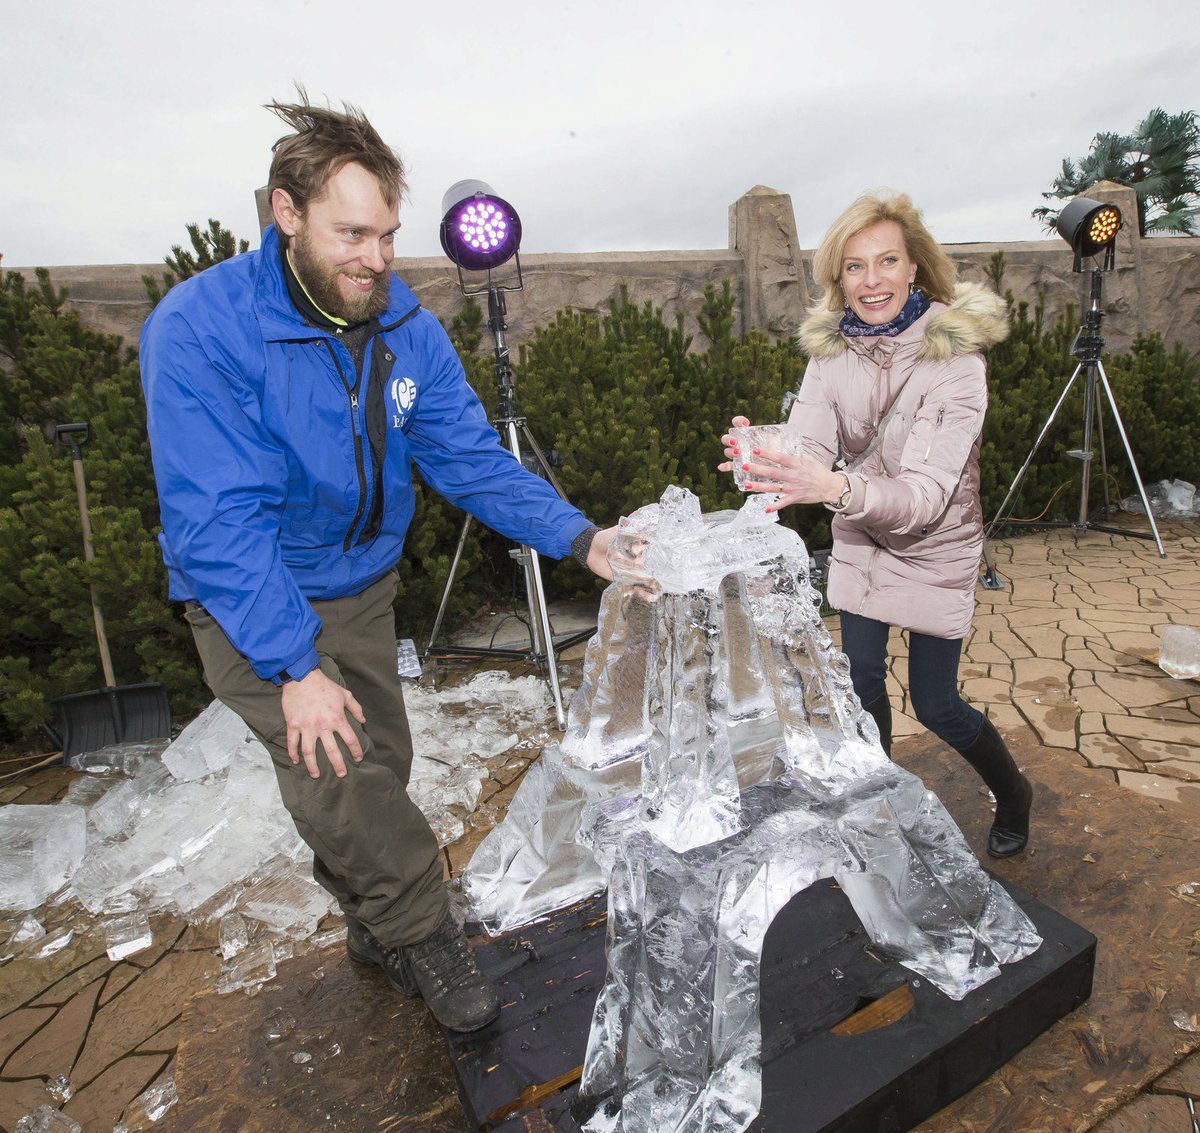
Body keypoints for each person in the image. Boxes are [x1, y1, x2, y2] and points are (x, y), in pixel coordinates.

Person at [140, 93, 617, 1033]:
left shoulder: (406, 328)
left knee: (379, 760)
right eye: (352, 233)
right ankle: (422, 927)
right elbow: (218, 521)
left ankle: (374, 924)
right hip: (248, 590)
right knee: (341, 771)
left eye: (389, 234)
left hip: (358, 577)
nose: (376, 259)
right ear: (286, 213)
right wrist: (292, 666)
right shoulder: (200, 329)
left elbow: (470, 457)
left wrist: (581, 538)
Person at [720, 191, 1032, 859]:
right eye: (855, 267)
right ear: (839, 279)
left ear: (915, 267)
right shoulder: (831, 354)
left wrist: (830, 485)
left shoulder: (957, 362)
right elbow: (809, 446)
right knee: (861, 680)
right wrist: (769, 459)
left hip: (934, 545)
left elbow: (922, 497)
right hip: (861, 536)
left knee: (937, 703)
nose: (872, 281)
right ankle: (880, 804)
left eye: (887, 261)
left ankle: (1015, 792)